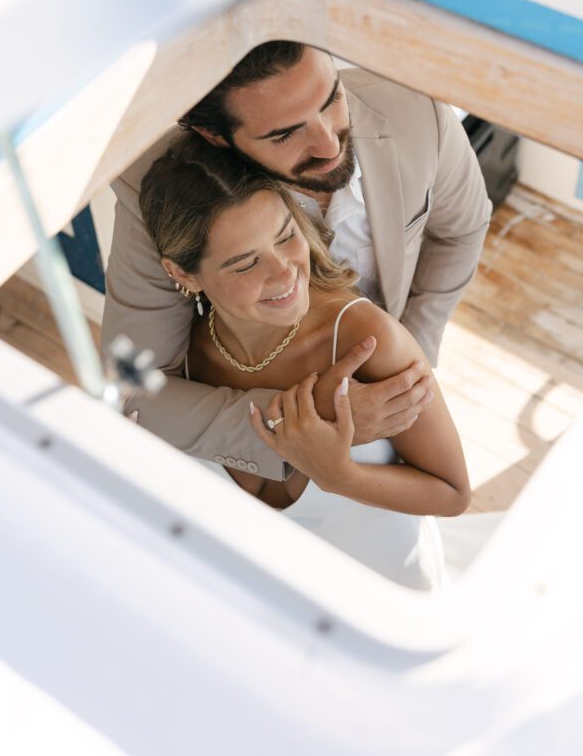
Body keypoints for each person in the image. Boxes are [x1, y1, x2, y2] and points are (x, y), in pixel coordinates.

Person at [102, 42, 491, 481]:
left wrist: (409, 367)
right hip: (245, 419)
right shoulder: (155, 185)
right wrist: (310, 418)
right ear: (214, 137)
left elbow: (461, 230)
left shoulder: (418, 111)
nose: (329, 145)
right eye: (284, 134)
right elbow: (133, 384)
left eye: (332, 100)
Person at [139, 133, 471, 586]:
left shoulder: (365, 340)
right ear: (183, 274)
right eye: (244, 264)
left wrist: (341, 477)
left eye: (285, 236)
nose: (283, 272)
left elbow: (453, 494)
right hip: (267, 588)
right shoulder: (183, 357)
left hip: (384, 580)